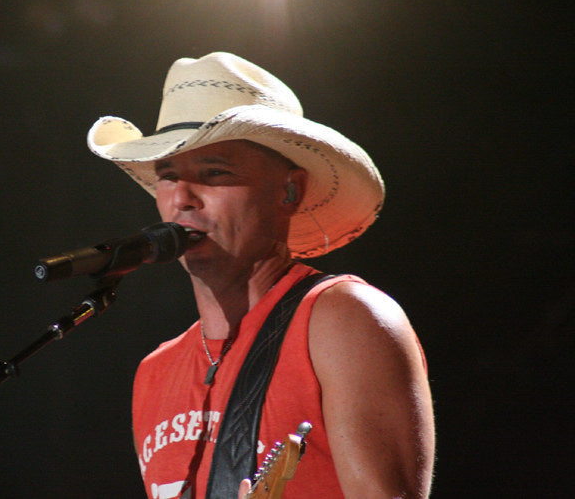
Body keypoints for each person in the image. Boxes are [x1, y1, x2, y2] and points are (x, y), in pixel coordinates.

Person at [87, 52, 434, 498]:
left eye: (214, 172)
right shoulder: (155, 372)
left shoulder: (343, 319)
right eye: (168, 176)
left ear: (289, 190)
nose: (183, 198)